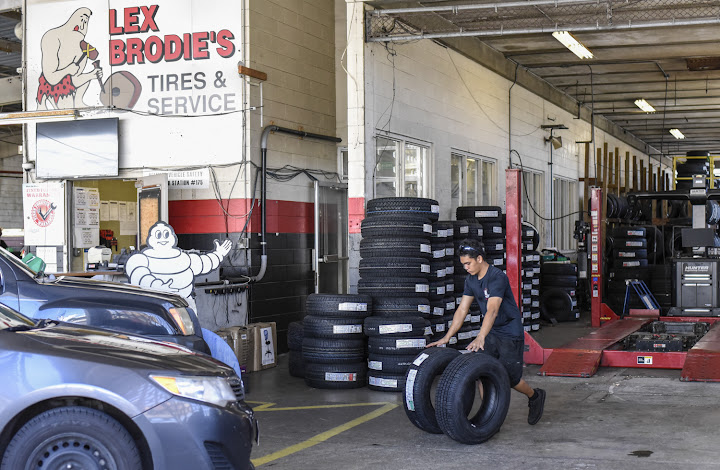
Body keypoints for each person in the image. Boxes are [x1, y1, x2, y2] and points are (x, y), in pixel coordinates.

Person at [427, 238, 546, 425]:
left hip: (509, 331)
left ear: (480, 259)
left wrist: (480, 336)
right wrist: (447, 337)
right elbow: (462, 309)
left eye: (468, 263)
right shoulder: (471, 280)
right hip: (492, 330)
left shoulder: (497, 277)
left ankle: (535, 396)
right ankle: (490, 415)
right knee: (483, 372)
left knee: (509, 378)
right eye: (463, 264)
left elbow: (492, 310)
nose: (465, 267)